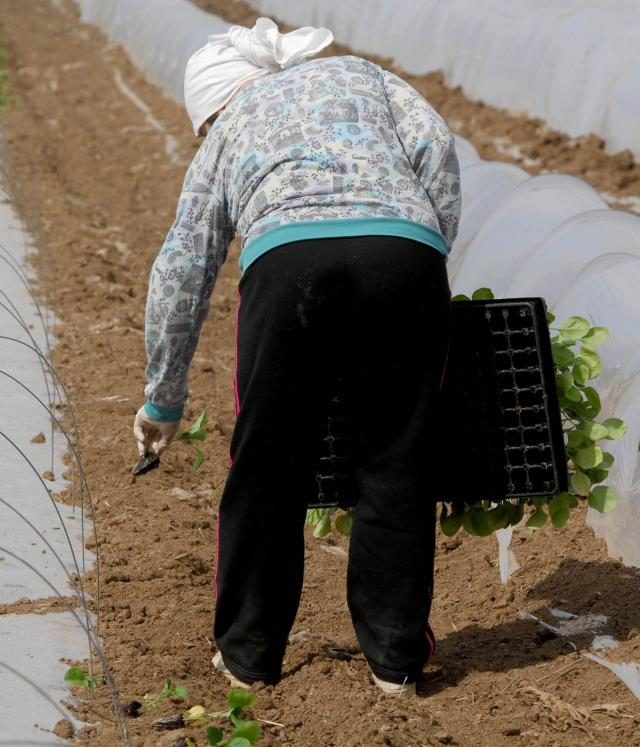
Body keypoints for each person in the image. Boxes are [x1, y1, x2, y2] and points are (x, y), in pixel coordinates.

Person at [132, 17, 460, 696]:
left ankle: (249, 656)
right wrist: (423, 253)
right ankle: (396, 662)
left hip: (291, 264)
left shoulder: (228, 128)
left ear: (216, 105)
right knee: (396, 461)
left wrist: (162, 398)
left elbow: (182, 267)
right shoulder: (365, 75)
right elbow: (436, 147)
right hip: (402, 253)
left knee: (269, 463)